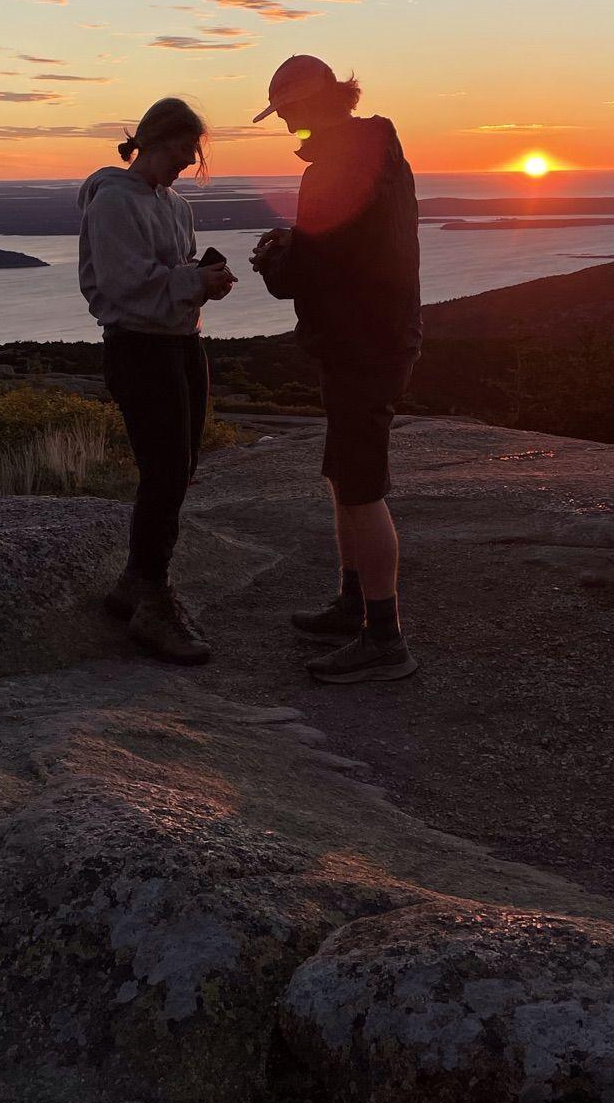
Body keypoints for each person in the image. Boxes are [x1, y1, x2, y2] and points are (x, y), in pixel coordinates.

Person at [249, 56, 422, 684]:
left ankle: (385, 637)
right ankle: (354, 604)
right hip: (378, 337)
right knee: (343, 475)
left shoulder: (331, 169)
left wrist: (276, 261)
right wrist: (299, 247)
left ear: (311, 106)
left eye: (289, 113)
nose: (288, 126)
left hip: (362, 346)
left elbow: (311, 274)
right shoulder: (378, 149)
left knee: (360, 485)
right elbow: (350, 248)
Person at [77, 97, 237, 664]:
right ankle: (151, 597)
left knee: (181, 467)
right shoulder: (113, 203)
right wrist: (194, 282)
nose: (188, 164)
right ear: (153, 141)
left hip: (181, 344)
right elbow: (126, 286)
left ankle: (133, 585)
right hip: (140, 349)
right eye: (183, 152)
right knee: (164, 470)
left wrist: (202, 280)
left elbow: (173, 275)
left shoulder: (173, 206)